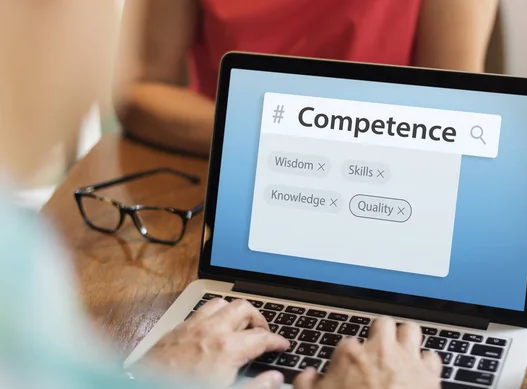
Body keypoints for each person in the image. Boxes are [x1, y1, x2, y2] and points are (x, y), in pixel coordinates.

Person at [0, 1, 443, 389]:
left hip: (391, 225)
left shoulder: (22, 260)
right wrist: (282, 136)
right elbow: (140, 89)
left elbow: (454, 96)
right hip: (253, 205)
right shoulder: (21, 269)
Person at [116, 0, 498, 157]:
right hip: (224, 179)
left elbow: (454, 113)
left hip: (384, 177)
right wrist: (278, 139)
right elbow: (140, 90)